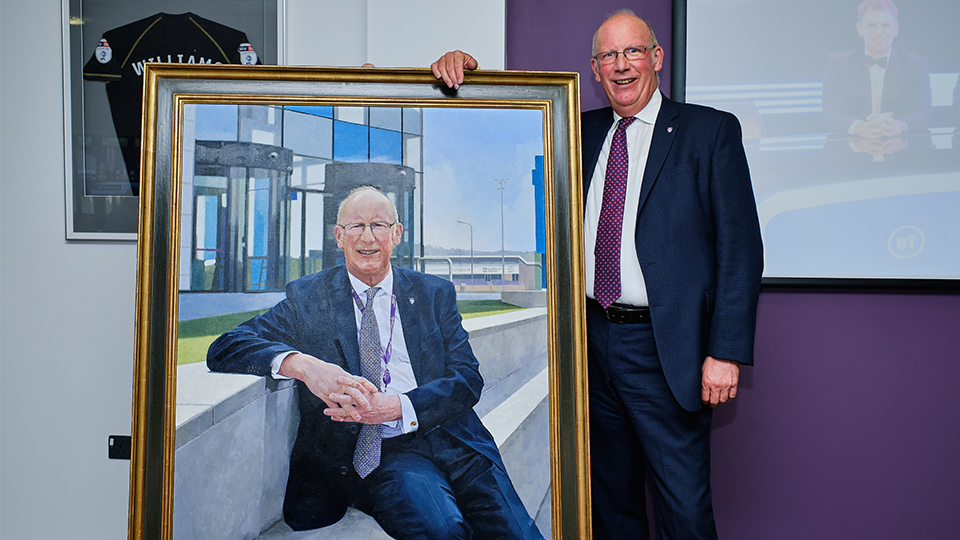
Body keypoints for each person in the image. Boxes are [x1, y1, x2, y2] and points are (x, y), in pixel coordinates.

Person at [432, 9, 763, 540]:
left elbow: (740, 249)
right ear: (594, 68)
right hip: (589, 346)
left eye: (633, 51)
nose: (621, 65)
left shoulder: (709, 131)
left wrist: (724, 352)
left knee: (684, 511)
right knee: (608, 506)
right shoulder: (574, 130)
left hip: (666, 349)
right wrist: (470, 76)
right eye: (609, 55)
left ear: (656, 58)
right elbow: (500, 128)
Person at [207, 186, 543, 539]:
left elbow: (467, 379)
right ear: (339, 236)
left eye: (379, 225)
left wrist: (398, 406)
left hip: (455, 440)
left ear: (397, 234)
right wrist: (302, 365)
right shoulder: (309, 297)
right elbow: (227, 346)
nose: (367, 237)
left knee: (518, 534)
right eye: (356, 226)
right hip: (386, 453)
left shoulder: (433, 293)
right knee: (443, 532)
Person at [821, 0, 931, 140]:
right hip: (852, 151)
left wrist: (899, 125)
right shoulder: (838, 63)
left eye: (885, 25)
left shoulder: (916, 65)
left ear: (896, 29)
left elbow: (923, 112)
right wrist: (859, 127)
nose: (879, 32)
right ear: (860, 29)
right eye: (872, 25)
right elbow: (832, 112)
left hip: (901, 152)